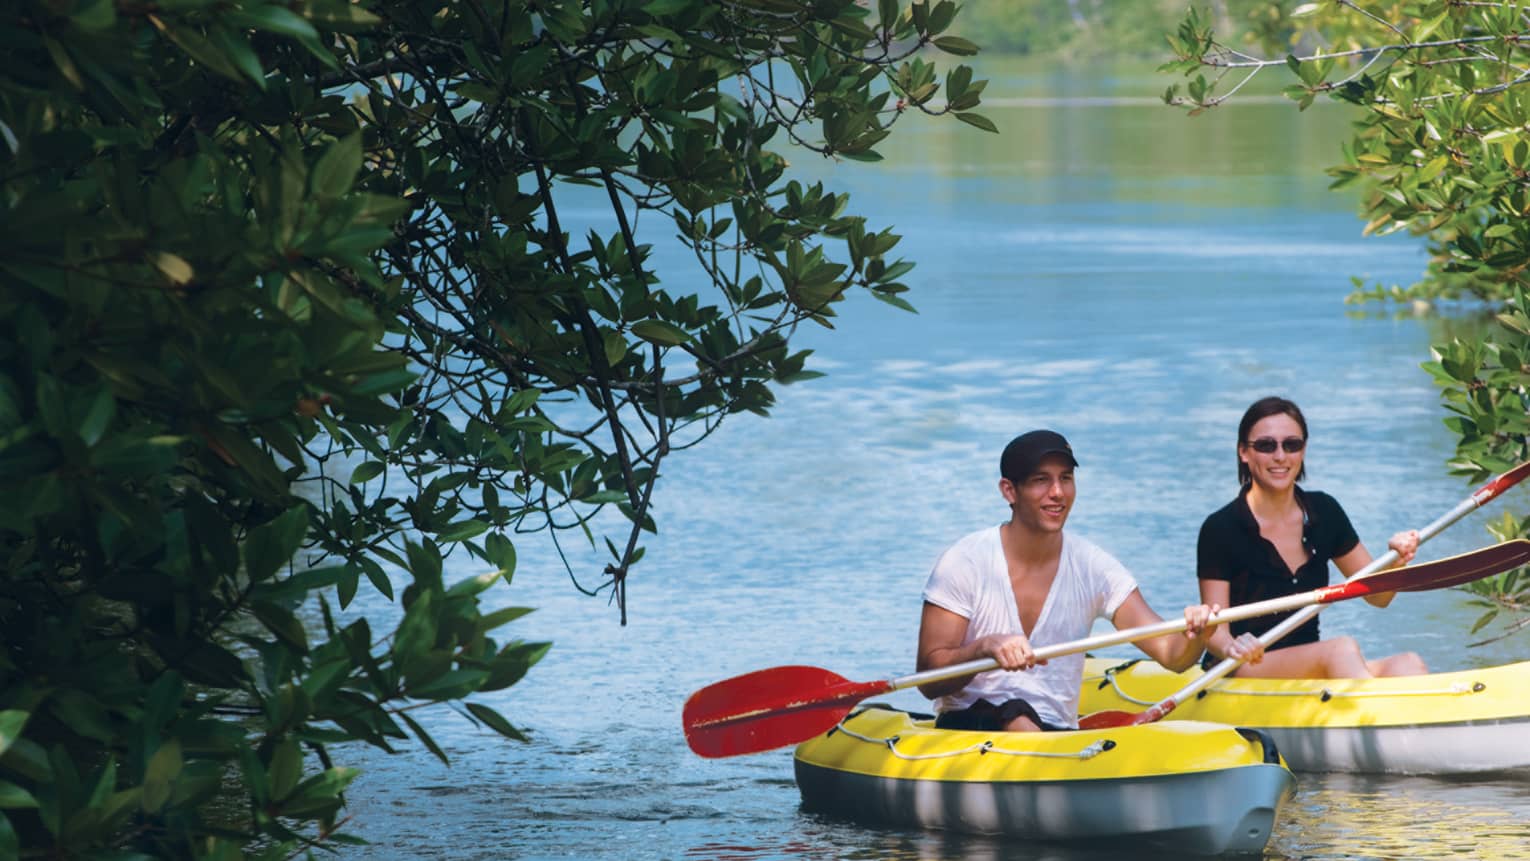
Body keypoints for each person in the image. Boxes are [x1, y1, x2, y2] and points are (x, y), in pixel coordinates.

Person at [915, 429, 1238, 732]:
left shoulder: (1094, 566)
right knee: (1017, 714)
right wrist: (984, 648)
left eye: (1066, 479)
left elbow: (1172, 655)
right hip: (970, 725)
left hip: (1056, 733)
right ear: (1009, 490)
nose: (1057, 493)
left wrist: (1198, 633)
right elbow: (929, 681)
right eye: (1041, 480)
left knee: (1027, 720)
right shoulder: (965, 561)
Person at [1196, 396, 1429, 679]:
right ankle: (1372, 719)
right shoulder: (1220, 528)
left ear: (1303, 450)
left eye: (1291, 444)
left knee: (1408, 663)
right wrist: (1233, 646)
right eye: (1267, 446)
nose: (1280, 456)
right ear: (1244, 452)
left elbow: (1379, 597)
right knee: (1341, 649)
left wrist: (1397, 559)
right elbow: (1214, 633)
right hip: (1243, 664)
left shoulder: (1324, 511)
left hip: (1309, 659)